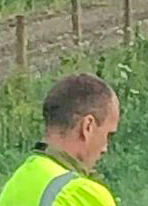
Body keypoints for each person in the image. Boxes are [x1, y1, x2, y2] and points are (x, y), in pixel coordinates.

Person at [0, 73, 120, 206]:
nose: (105, 148)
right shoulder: (81, 194)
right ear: (87, 127)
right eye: (107, 135)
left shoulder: (15, 185)